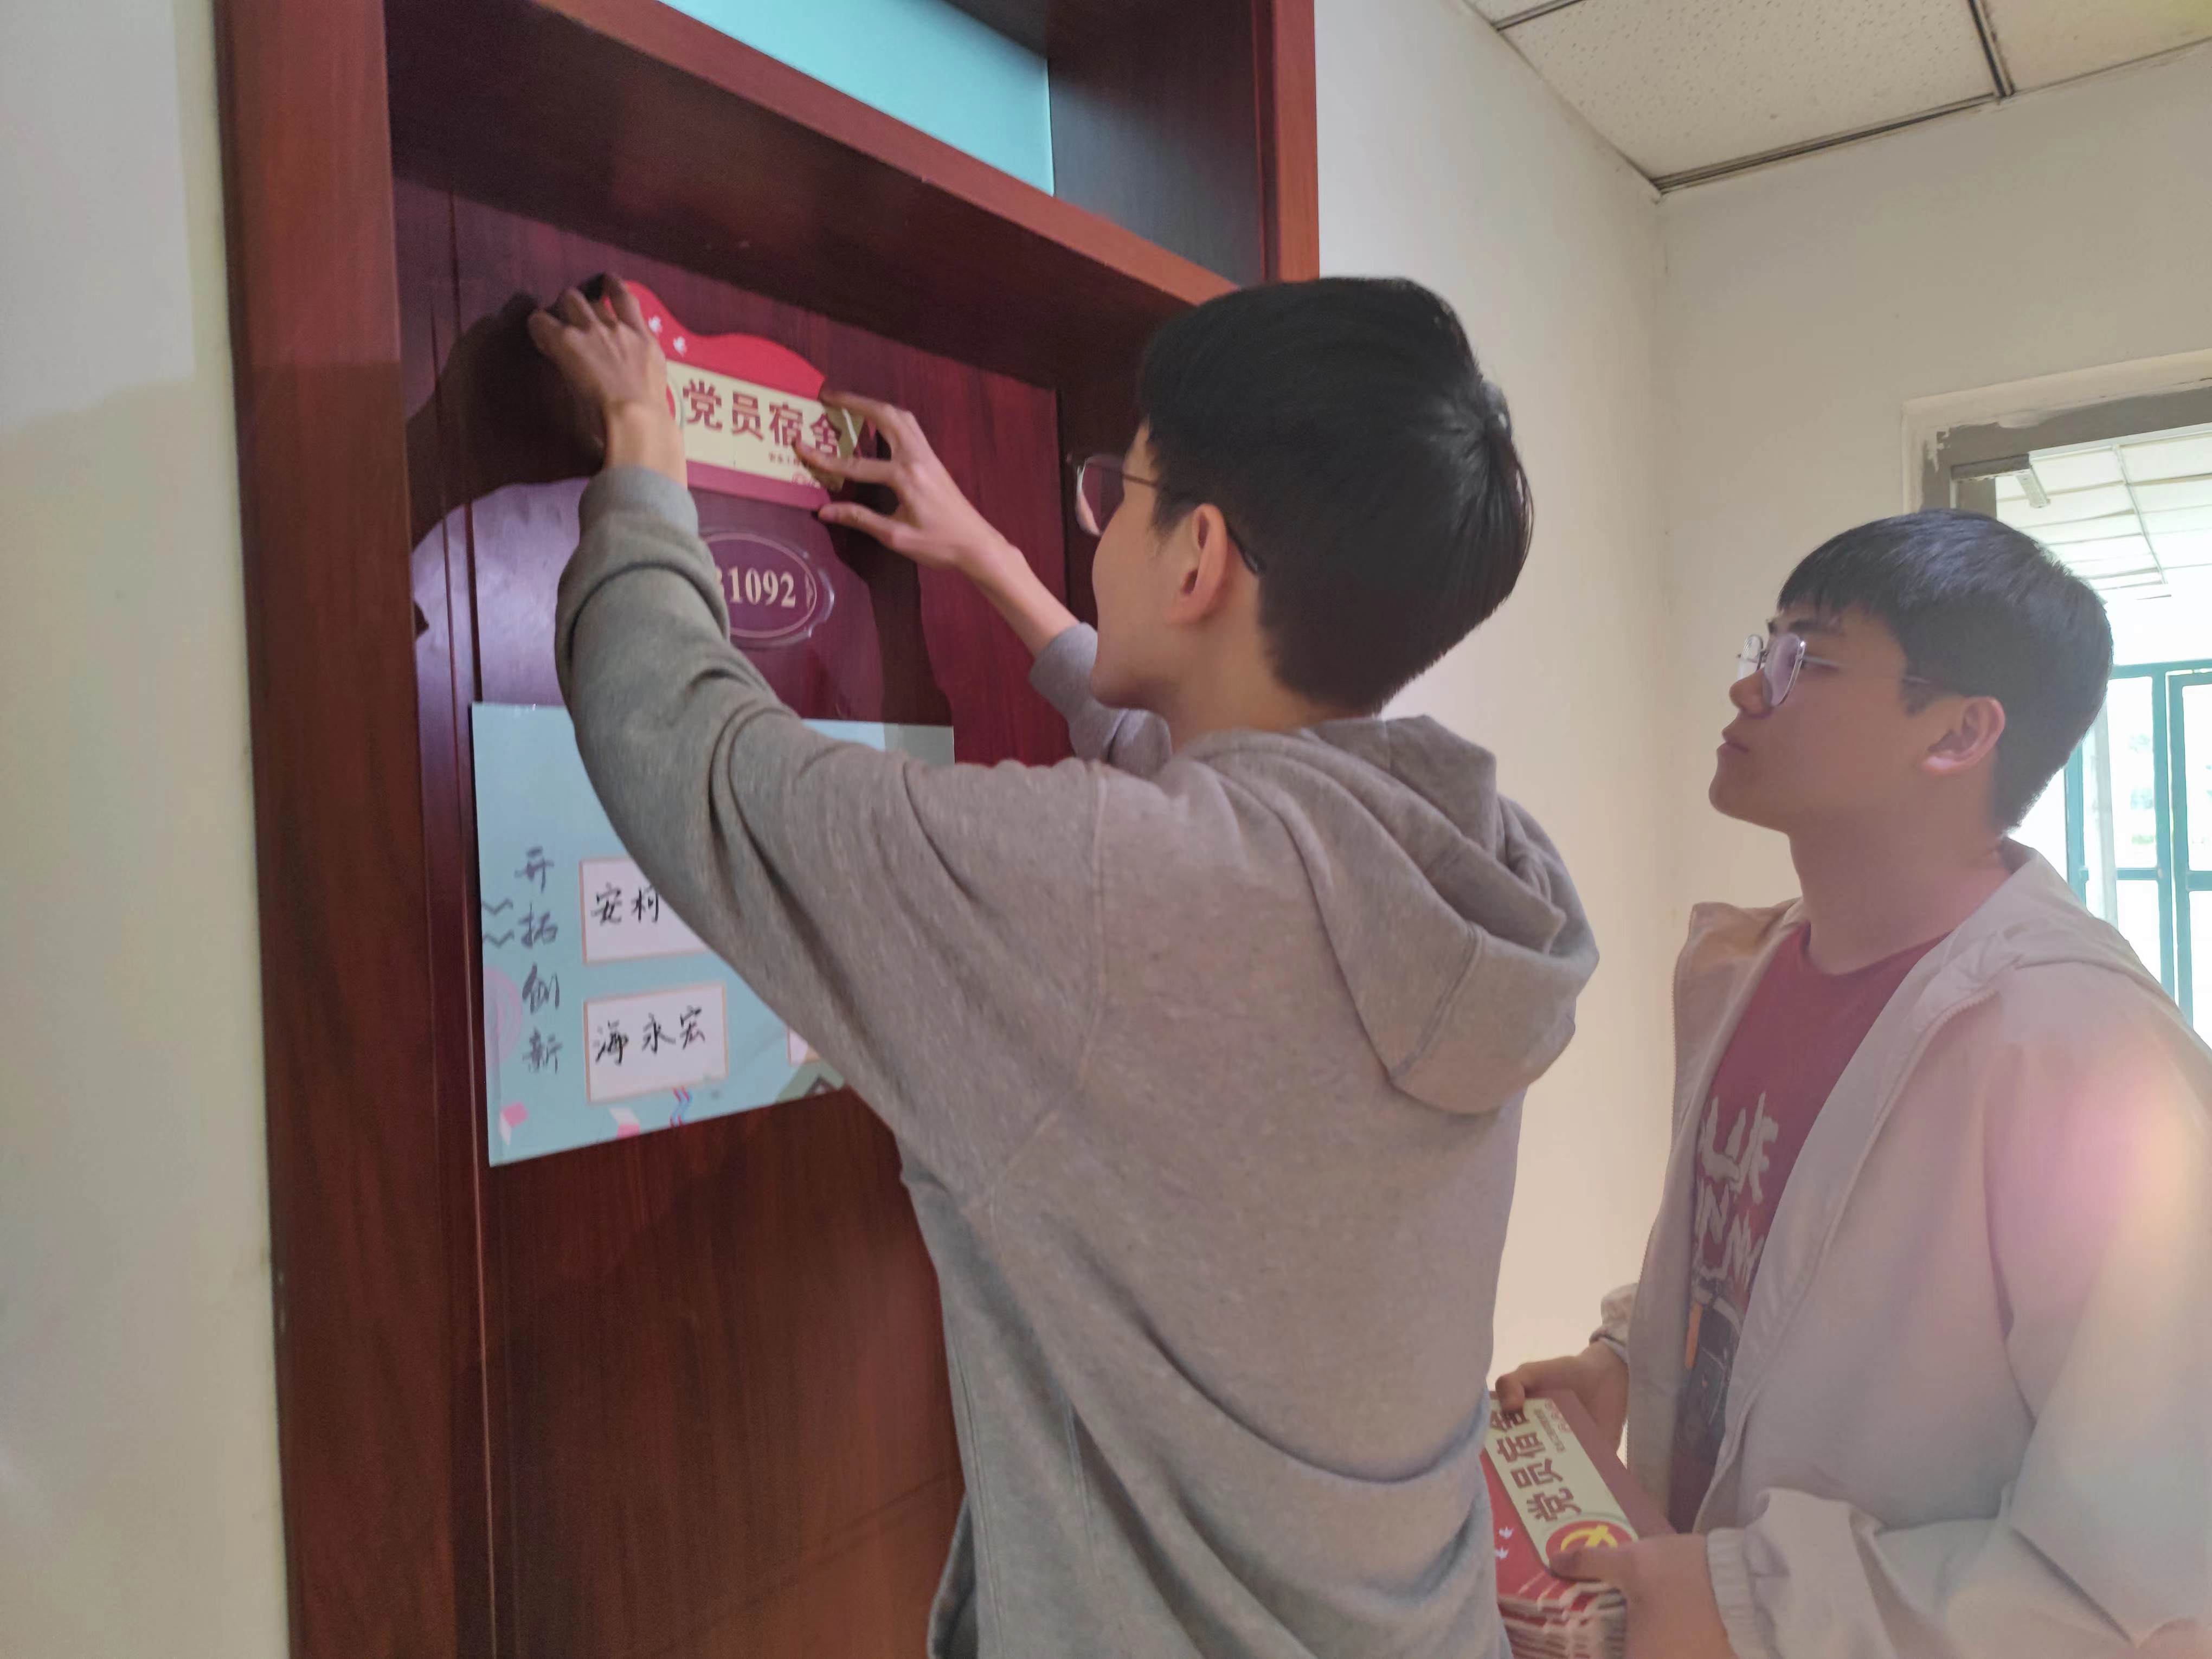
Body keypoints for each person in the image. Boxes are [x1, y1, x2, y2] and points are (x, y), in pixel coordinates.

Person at [530, 273, 1596, 1658]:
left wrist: (642, 450)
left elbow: (696, 761)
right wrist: (992, 563)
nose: (1098, 529)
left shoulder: (1113, 896)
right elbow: (1219, 807)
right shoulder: (1470, 869)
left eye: (1116, 494)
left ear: (1198, 557)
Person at [1498, 511, 2212, 1658]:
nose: (1749, 688)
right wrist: (1624, 1359)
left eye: (1807, 660)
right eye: (1764, 647)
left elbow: (2154, 1565)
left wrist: (1758, 1608)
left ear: (1961, 732)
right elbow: (1771, 1261)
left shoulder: (2084, 1050)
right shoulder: (1749, 966)